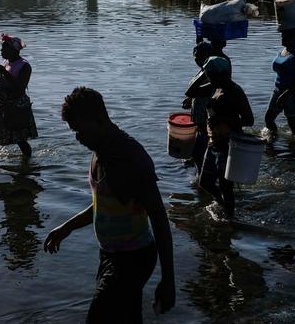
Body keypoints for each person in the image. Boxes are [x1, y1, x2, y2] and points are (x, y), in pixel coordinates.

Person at [44, 87, 175, 323]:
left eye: (81, 131)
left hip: (134, 258)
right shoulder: (100, 151)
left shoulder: (131, 158)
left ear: (100, 120)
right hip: (110, 254)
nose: (78, 138)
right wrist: (67, 227)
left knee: (98, 318)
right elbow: (104, 205)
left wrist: (168, 280)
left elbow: (159, 218)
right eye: (74, 132)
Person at [189, 56, 254, 218]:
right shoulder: (214, 86)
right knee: (204, 182)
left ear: (222, 74)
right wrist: (203, 73)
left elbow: (248, 120)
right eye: (208, 76)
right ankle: (221, 203)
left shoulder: (235, 91)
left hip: (229, 145)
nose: (209, 78)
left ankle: (230, 219)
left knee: (226, 186)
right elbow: (190, 91)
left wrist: (221, 119)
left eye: (211, 75)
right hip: (214, 143)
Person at [0, 33, 38, 160]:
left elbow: (19, 87)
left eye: (3, 48)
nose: (1, 51)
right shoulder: (6, 62)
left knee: (20, 139)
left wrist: (4, 72)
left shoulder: (25, 66)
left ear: (13, 50)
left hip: (17, 106)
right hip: (3, 106)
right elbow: (2, 81)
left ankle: (28, 162)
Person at [264, 28, 295, 137]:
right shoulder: (282, 50)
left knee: (292, 123)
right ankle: (273, 140)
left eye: (286, 36)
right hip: (278, 89)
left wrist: (285, 94)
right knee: (269, 118)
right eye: (282, 36)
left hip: (292, 92)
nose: (283, 38)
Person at [182, 41, 214, 173]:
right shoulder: (202, 72)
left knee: (200, 152)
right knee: (198, 150)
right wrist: (191, 99)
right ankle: (200, 175)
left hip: (206, 119)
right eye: (196, 57)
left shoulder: (211, 73)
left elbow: (208, 91)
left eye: (201, 57)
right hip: (198, 118)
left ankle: (202, 179)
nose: (198, 60)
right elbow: (196, 91)